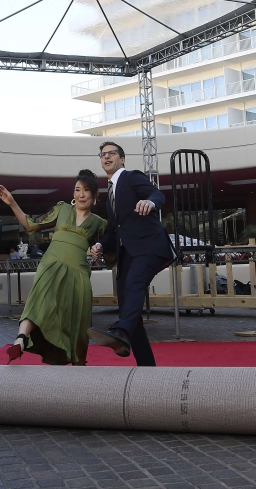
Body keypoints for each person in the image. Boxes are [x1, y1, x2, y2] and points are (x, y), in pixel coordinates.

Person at [0, 171, 106, 365]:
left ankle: (76, 362)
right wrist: (12, 203)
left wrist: (99, 249)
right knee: (39, 300)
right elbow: (30, 225)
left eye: (86, 191)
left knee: (76, 319)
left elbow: (106, 248)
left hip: (78, 273)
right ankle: (21, 338)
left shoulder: (99, 223)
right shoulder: (62, 209)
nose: (81, 195)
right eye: (77, 190)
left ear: (95, 195)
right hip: (52, 265)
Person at [88, 142, 173, 366]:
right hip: (128, 253)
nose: (106, 157)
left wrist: (149, 202)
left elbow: (157, 194)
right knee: (128, 305)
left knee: (135, 283)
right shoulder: (110, 195)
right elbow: (113, 231)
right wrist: (100, 245)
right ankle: (146, 365)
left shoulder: (131, 177)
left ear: (122, 159)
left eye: (111, 154)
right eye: (102, 155)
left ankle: (120, 332)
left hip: (149, 247)